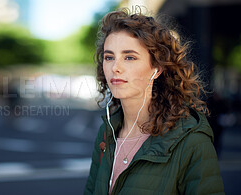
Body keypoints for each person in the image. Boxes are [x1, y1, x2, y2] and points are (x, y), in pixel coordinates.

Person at [84, 8, 224, 194]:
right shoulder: (106, 133)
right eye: (109, 57)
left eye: (129, 57)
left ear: (156, 68)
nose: (115, 67)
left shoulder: (191, 141)